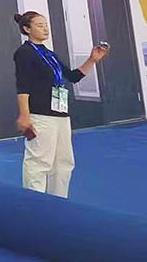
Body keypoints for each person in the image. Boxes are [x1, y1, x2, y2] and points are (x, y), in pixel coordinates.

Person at [13, 11, 109, 197]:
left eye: (46, 24)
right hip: (40, 114)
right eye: (39, 25)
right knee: (39, 161)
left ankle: (58, 201)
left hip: (60, 113)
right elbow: (22, 85)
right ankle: (34, 202)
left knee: (63, 161)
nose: (45, 28)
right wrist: (25, 115)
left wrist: (92, 60)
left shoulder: (49, 54)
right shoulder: (24, 53)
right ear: (27, 29)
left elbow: (72, 76)